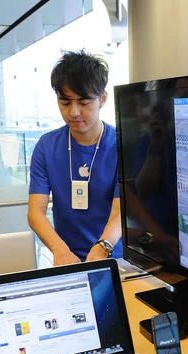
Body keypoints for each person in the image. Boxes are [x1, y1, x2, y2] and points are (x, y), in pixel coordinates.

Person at [27, 50, 122, 266]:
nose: (74, 112)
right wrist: (60, 251)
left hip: (113, 258)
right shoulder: (46, 147)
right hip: (66, 259)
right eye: (65, 102)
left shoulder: (121, 146)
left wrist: (102, 249)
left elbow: (119, 211)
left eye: (84, 102)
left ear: (103, 99)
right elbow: (35, 212)